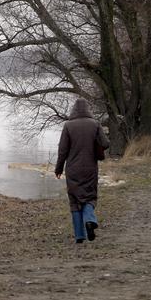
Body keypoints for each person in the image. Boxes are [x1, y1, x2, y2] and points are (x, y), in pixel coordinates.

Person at [55, 98, 110, 244]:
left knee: (74, 201)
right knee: (90, 197)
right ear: (88, 109)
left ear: (74, 110)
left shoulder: (68, 125)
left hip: (72, 169)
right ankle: (90, 220)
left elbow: (62, 150)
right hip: (90, 168)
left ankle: (79, 235)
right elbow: (105, 143)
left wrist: (58, 168)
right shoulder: (95, 124)